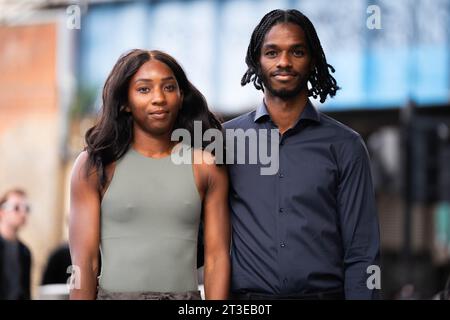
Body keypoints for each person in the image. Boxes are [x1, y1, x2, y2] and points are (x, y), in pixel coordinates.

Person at [223, 9, 380, 300]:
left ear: (312, 61)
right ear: (257, 61)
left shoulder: (346, 146)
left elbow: (362, 251)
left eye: (296, 51)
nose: (284, 62)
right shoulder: (224, 141)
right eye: (272, 52)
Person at [69, 49, 230, 300]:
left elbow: (217, 259)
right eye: (144, 89)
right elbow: (85, 263)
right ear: (124, 102)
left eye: (168, 87)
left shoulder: (206, 166)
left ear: (181, 95)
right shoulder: (93, 165)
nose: (159, 98)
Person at [0, 189, 32, 300]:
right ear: (2, 212)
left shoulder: (25, 251)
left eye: (26, 208)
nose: (23, 213)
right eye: (16, 208)